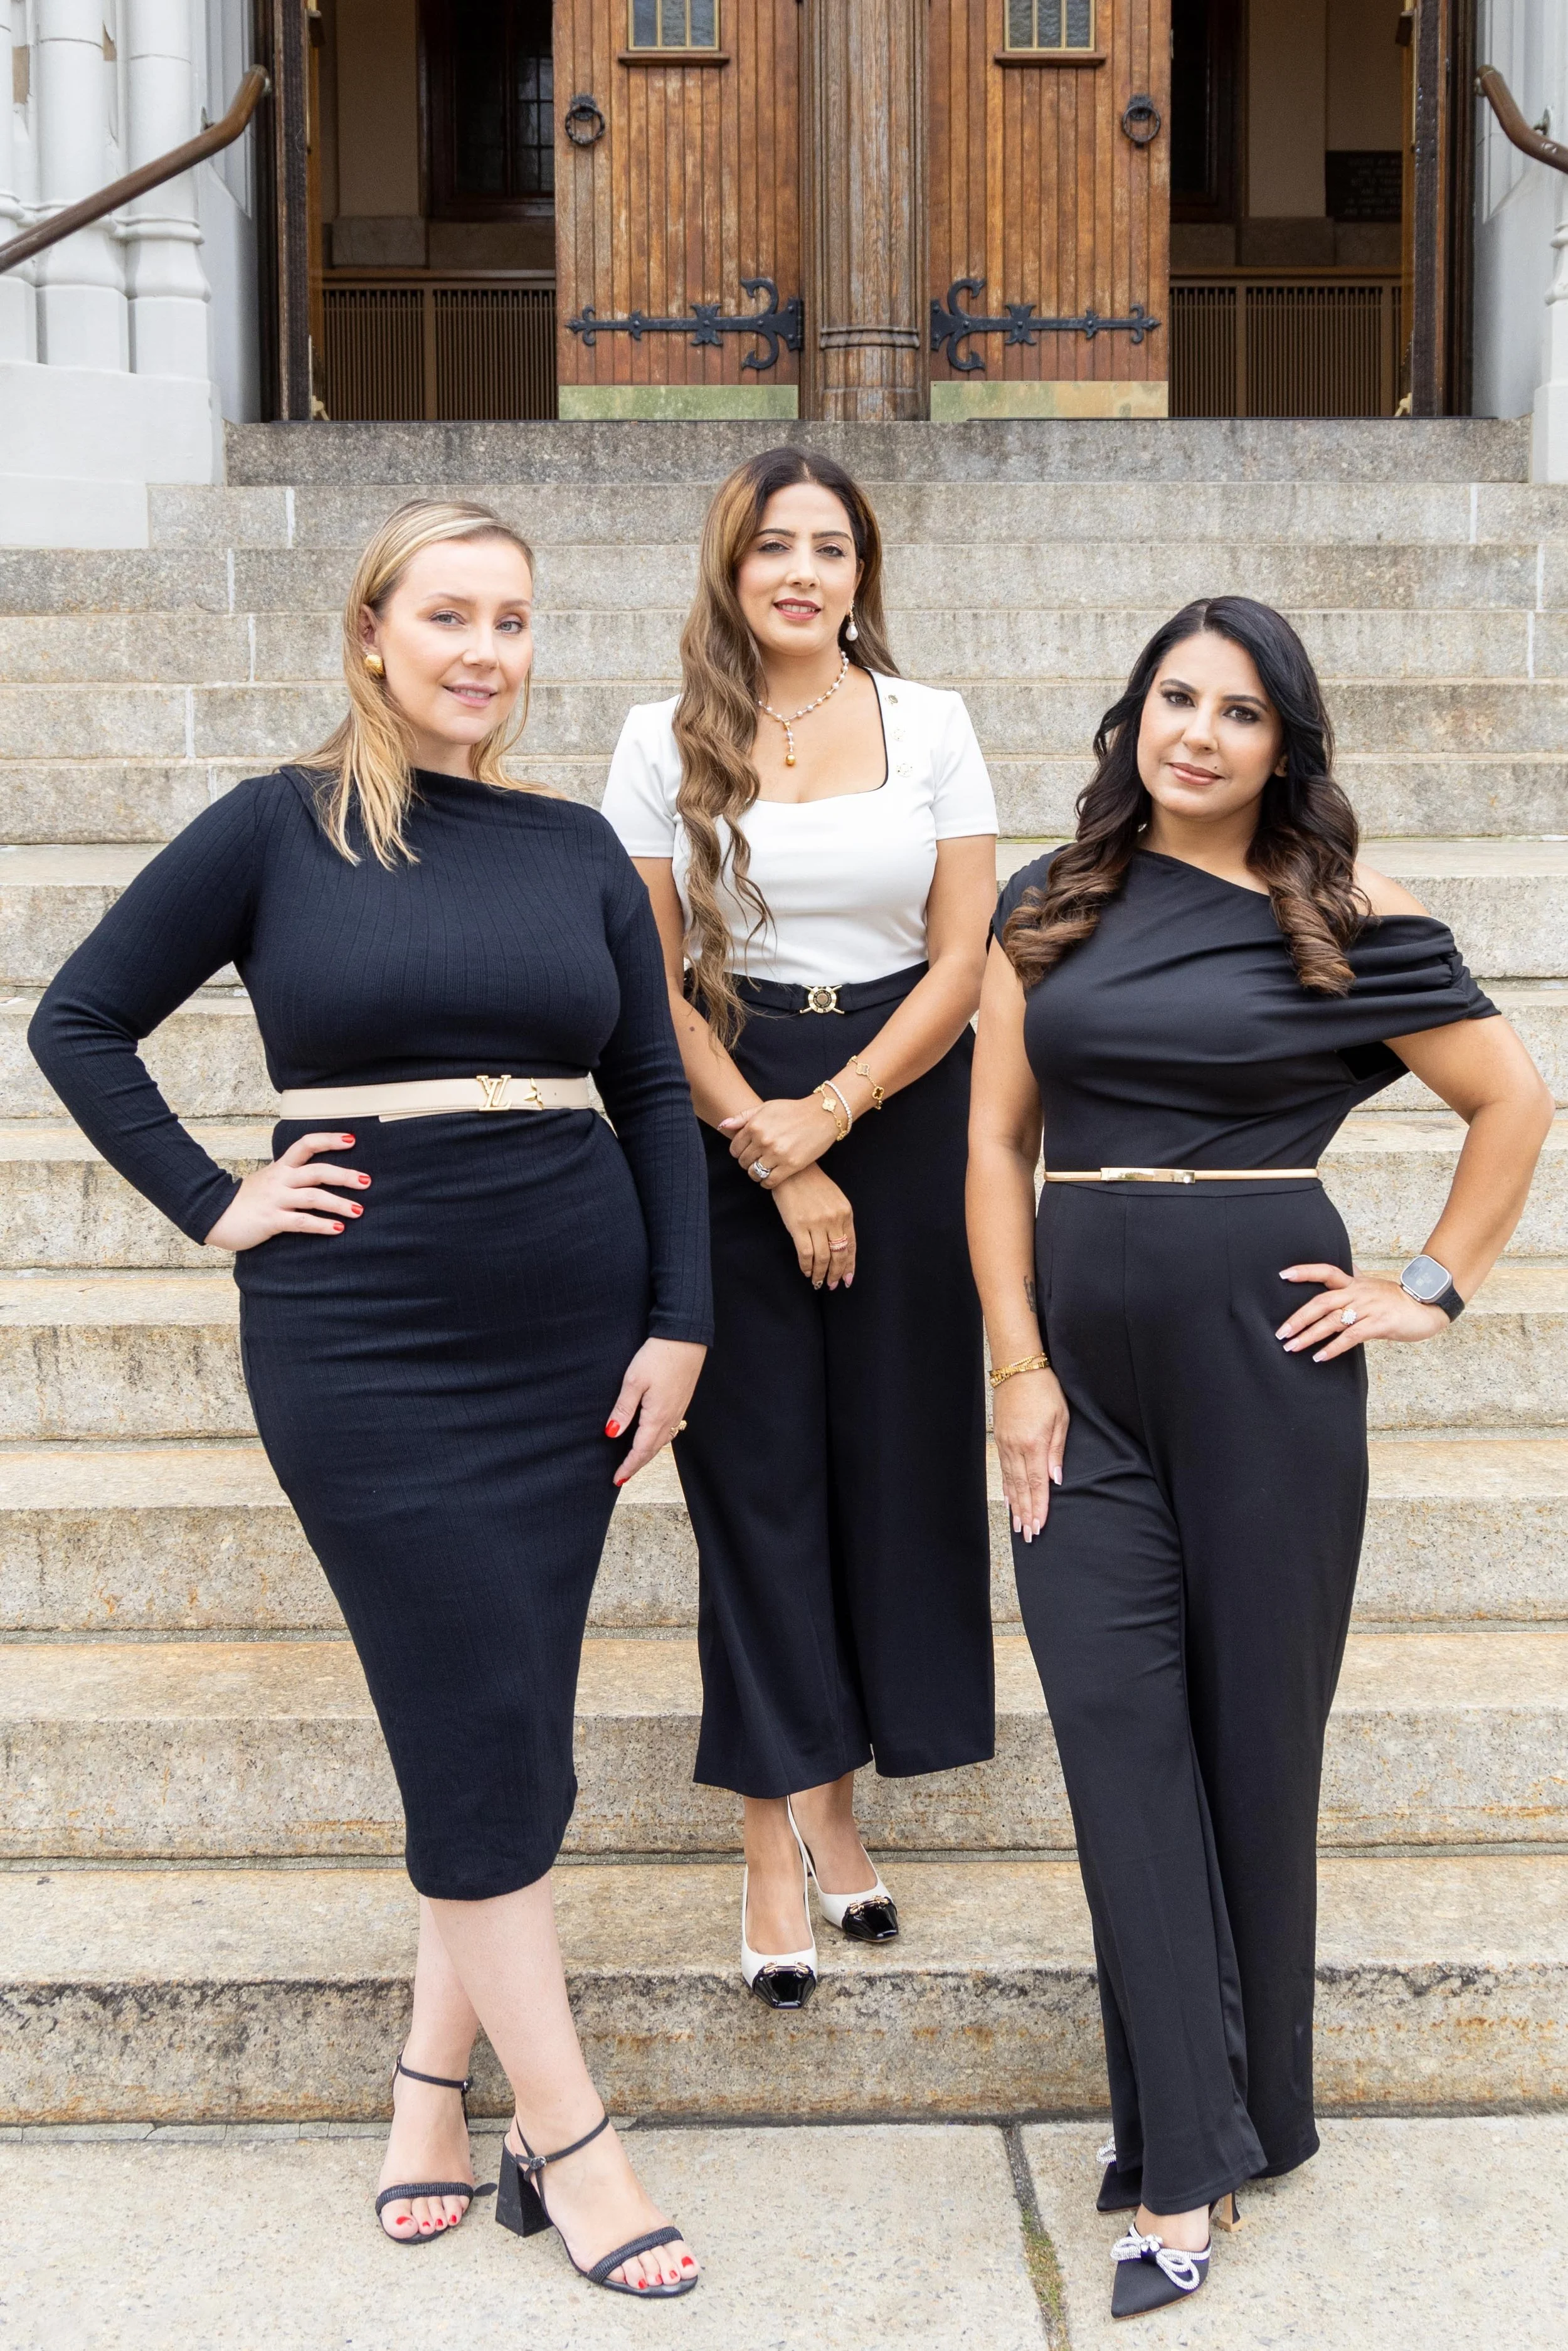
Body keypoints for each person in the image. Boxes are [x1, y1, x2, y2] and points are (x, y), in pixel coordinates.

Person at [29, 500, 712, 2300]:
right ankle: (568, 2133)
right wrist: (216, 1198)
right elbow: (79, 1017)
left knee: (496, 1712)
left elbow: (651, 1090)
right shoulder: (278, 824)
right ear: (372, 635)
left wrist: (682, 1319)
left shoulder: (573, 843)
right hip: (364, 1337)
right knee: (474, 1713)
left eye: (513, 619)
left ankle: (428, 2082)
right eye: (450, 617)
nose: (485, 651)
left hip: (571, 1326)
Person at [965, 596, 1551, 2320]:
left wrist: (1428, 1286)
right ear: (1131, 714)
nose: (1196, 732)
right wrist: (1012, 1359)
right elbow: (997, 1145)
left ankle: (1210, 2129)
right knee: (1118, 1746)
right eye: (1173, 698)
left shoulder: (1348, 926)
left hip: (1264, 1367)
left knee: (1247, 1750)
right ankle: (1189, 2131)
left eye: (1235, 710)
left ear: (1281, 743)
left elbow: (1512, 1102)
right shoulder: (1047, 903)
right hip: (1071, 1373)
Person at [602, 446, 999, 2007]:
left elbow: (963, 955)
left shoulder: (935, 723)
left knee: (892, 1474)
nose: (803, 571)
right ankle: (771, 1839)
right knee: (756, 1485)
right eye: (774, 544)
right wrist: (769, 1147)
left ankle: (841, 1808)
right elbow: (645, 975)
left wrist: (832, 1123)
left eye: (831, 546)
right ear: (730, 562)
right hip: (725, 1099)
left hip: (901, 1101)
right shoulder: (658, 736)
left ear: (862, 570)